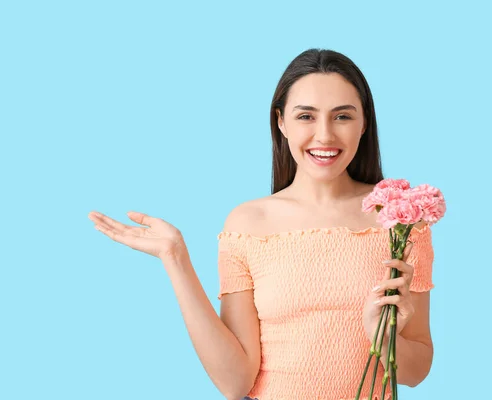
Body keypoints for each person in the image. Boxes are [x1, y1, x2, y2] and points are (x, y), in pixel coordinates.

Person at [88, 48, 435, 400]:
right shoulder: (248, 224)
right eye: (306, 117)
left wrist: (385, 337)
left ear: (364, 123)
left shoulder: (400, 219)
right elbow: (235, 381)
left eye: (342, 116)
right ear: (281, 122)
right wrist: (175, 258)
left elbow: (416, 371)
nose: (325, 135)